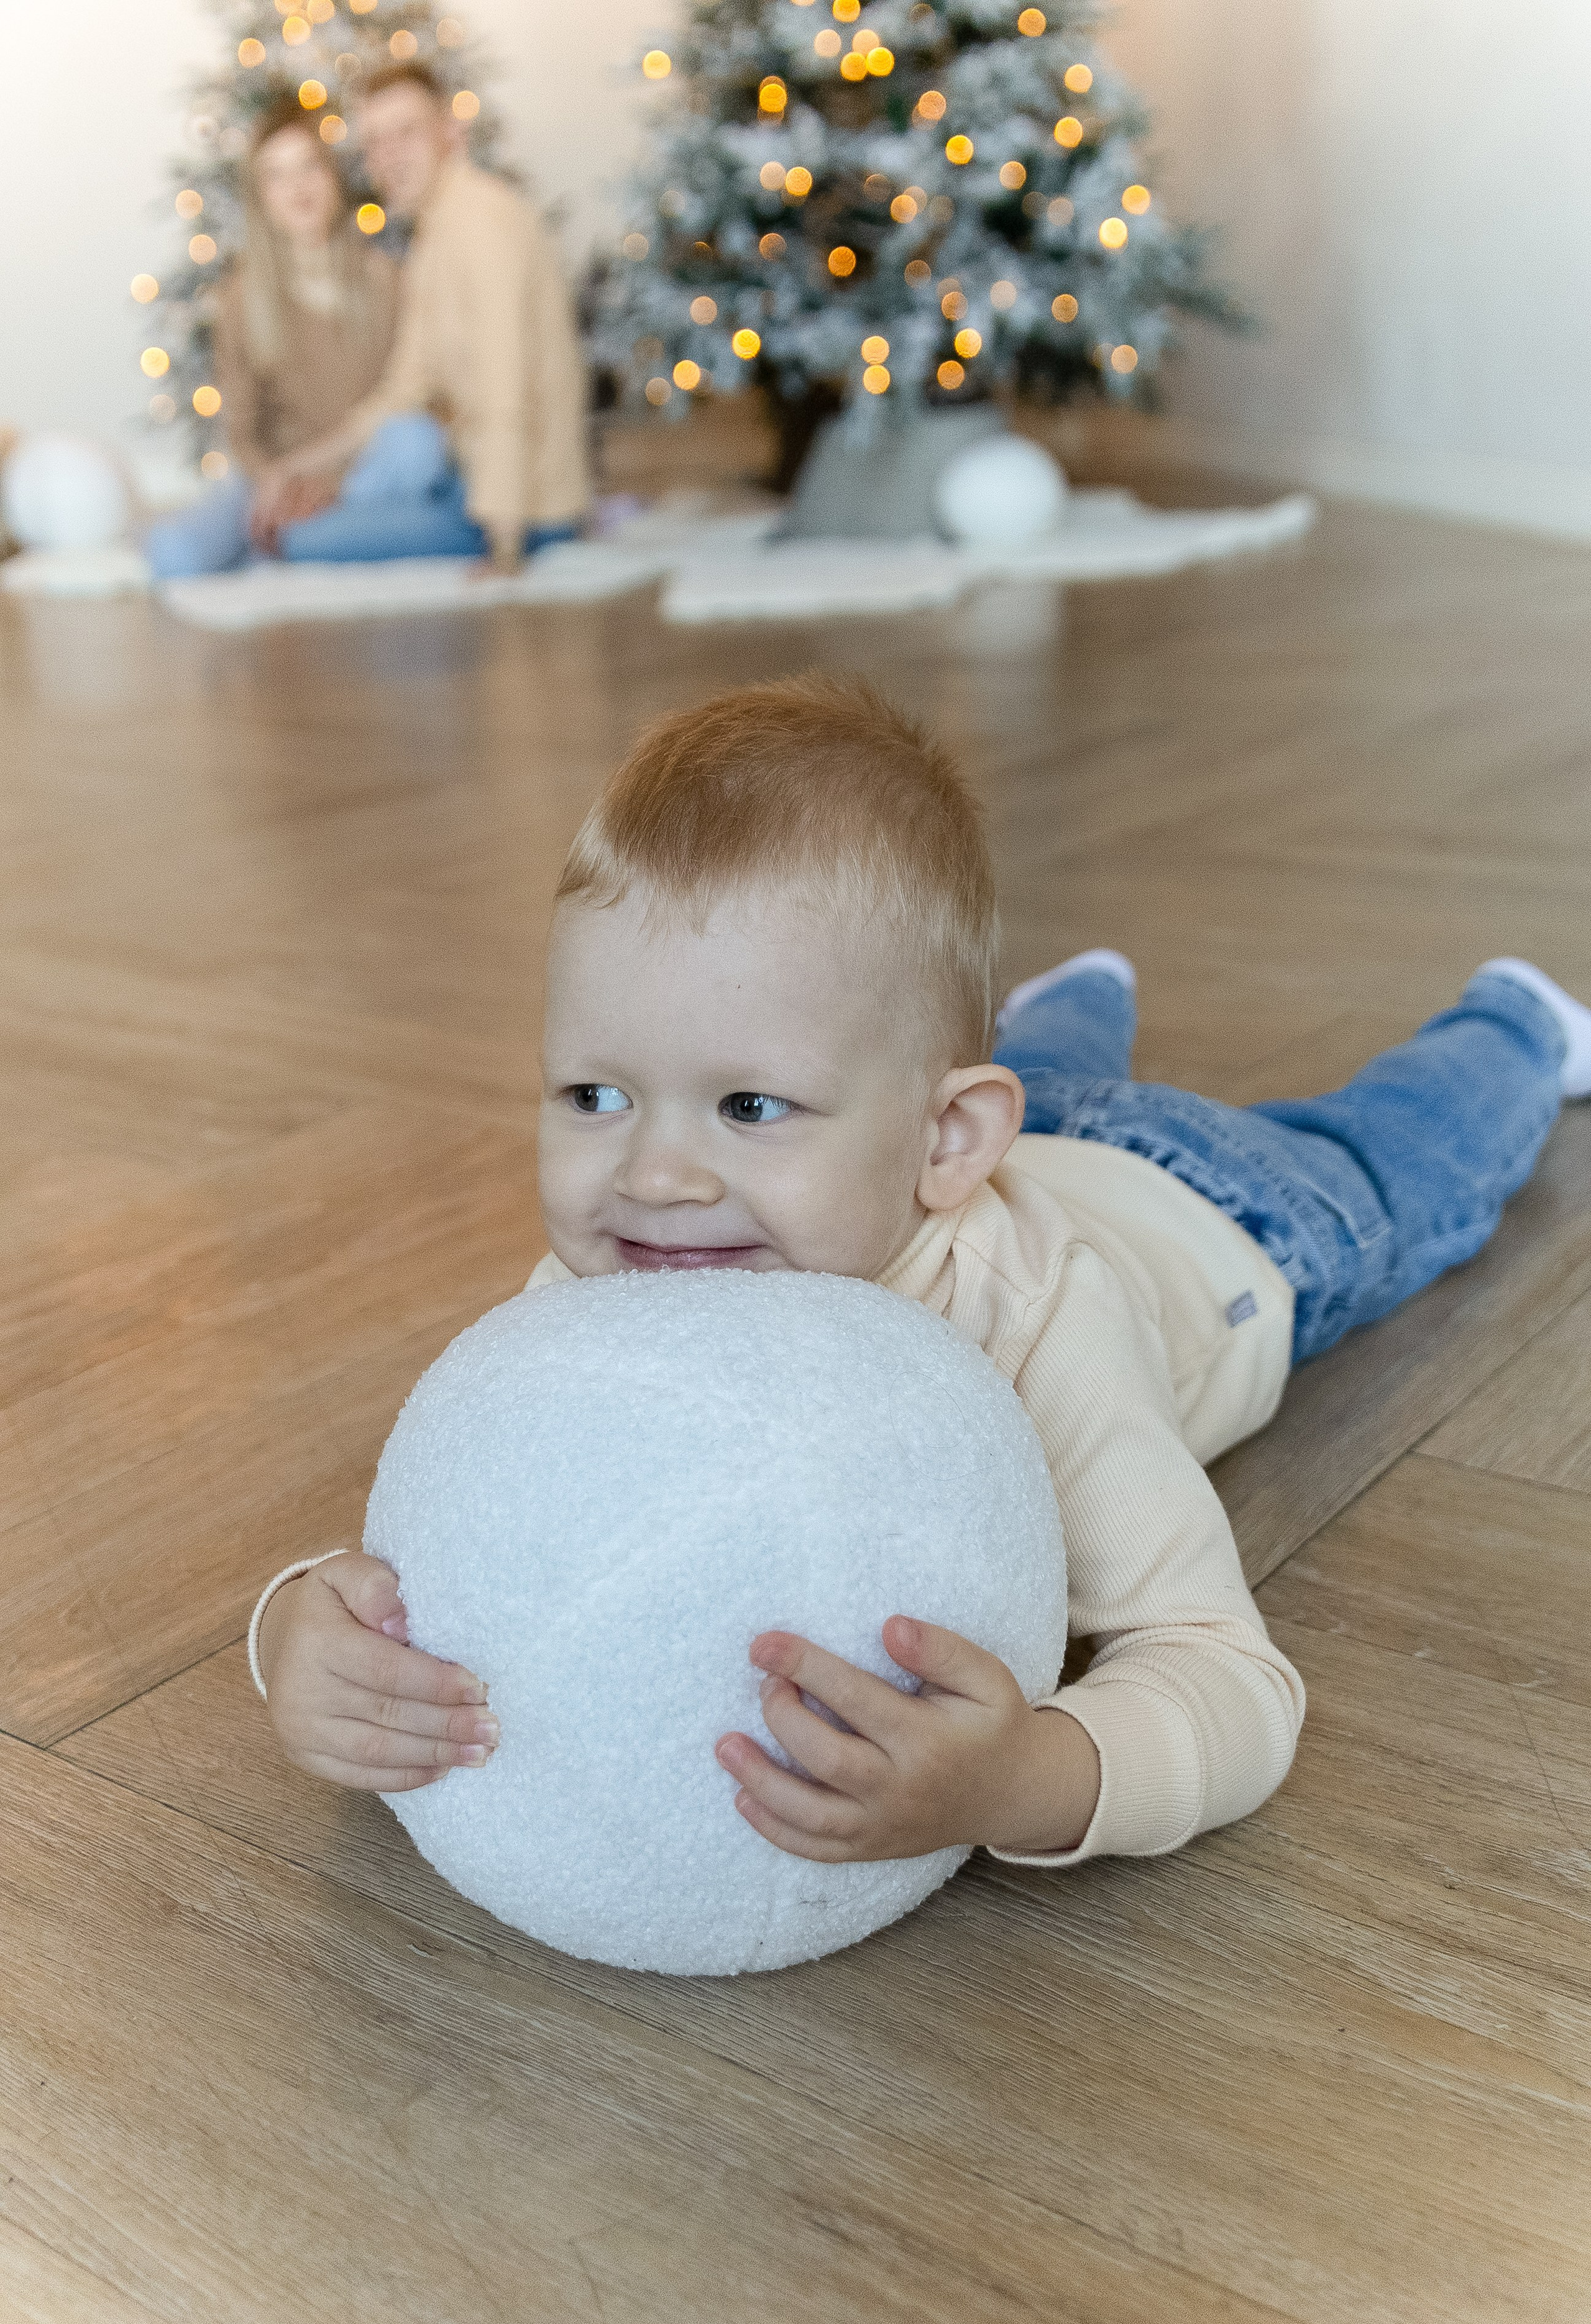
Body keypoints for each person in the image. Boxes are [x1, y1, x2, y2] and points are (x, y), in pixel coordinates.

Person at [249, 678, 1590, 1868]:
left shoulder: (1034, 1334)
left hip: (1219, 1210)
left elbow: (1231, 1682)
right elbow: (422, 1562)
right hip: (992, 1126)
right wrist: (301, 1640)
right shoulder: (626, 1288)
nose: (652, 1176)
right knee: (1042, 1077)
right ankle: (1067, 1012)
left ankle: (1514, 1030)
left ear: (946, 1142)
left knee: (1399, 1166)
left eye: (748, 1109)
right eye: (595, 1092)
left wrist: (1027, 1779)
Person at [249, 63, 590, 572]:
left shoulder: (483, 225)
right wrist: (296, 465)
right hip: (469, 483)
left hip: (522, 509)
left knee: (301, 543)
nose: (388, 157)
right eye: (375, 142)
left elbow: (507, 388)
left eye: (406, 133)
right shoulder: (434, 235)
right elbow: (403, 388)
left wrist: (504, 545)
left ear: (450, 132)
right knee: (394, 455)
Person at [144, 96, 417, 580]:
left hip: (367, 480)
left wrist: (333, 481)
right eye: (276, 174)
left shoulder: (386, 282)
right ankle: (308, 536)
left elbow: (404, 404)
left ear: (334, 179)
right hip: (280, 481)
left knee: (417, 446)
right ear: (261, 197)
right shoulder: (240, 299)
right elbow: (243, 433)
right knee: (172, 552)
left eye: (310, 167)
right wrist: (277, 483)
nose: (297, 188)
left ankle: (311, 537)